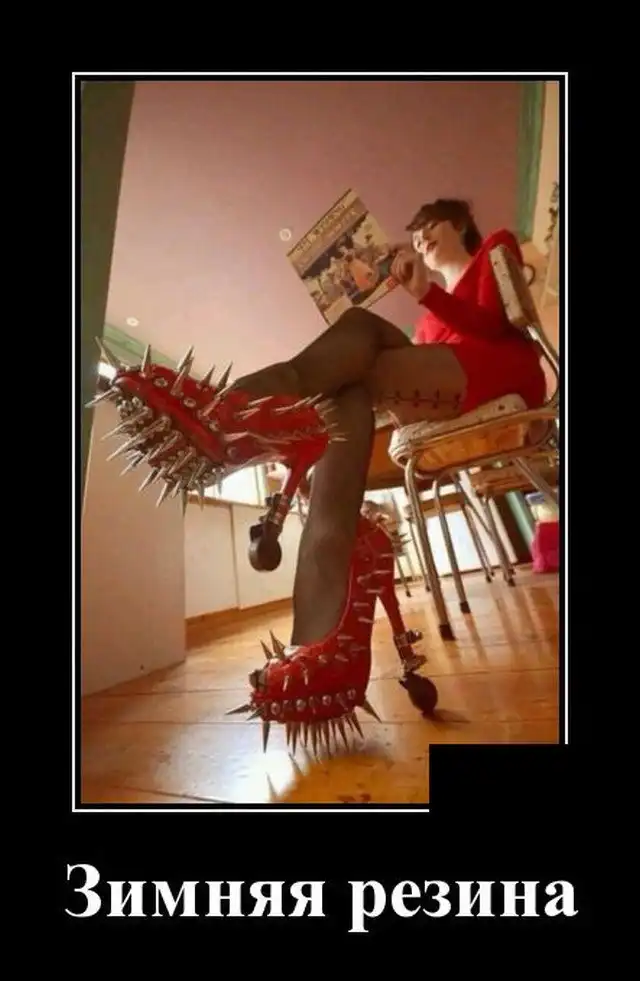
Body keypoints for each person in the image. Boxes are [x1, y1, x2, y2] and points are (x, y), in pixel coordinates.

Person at [230, 198, 547, 653]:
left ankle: (240, 408)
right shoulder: (428, 321)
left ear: (459, 224)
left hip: (503, 372)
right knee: (351, 366)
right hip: (449, 392)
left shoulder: (494, 247)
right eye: (415, 236)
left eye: (429, 227)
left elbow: (496, 326)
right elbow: (417, 378)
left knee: (354, 357)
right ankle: (322, 641)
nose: (420, 239)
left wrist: (426, 293)